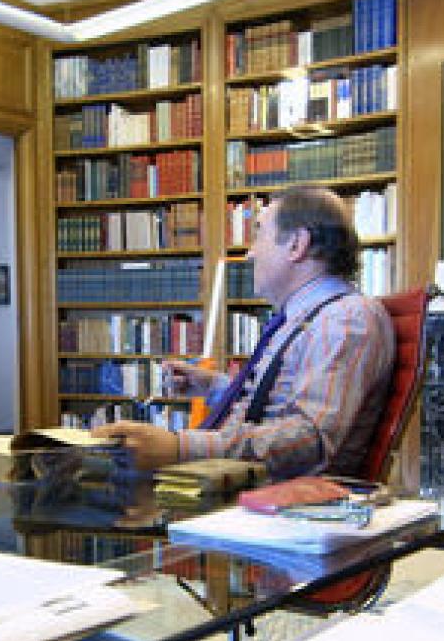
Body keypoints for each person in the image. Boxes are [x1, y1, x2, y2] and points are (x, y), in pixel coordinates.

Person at [94, 185, 395, 478]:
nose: (250, 254)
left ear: (297, 244)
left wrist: (180, 447)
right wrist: (214, 387)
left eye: (260, 234)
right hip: (251, 491)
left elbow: (310, 440)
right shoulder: (310, 317)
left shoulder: (343, 318)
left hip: (280, 507)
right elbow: (277, 405)